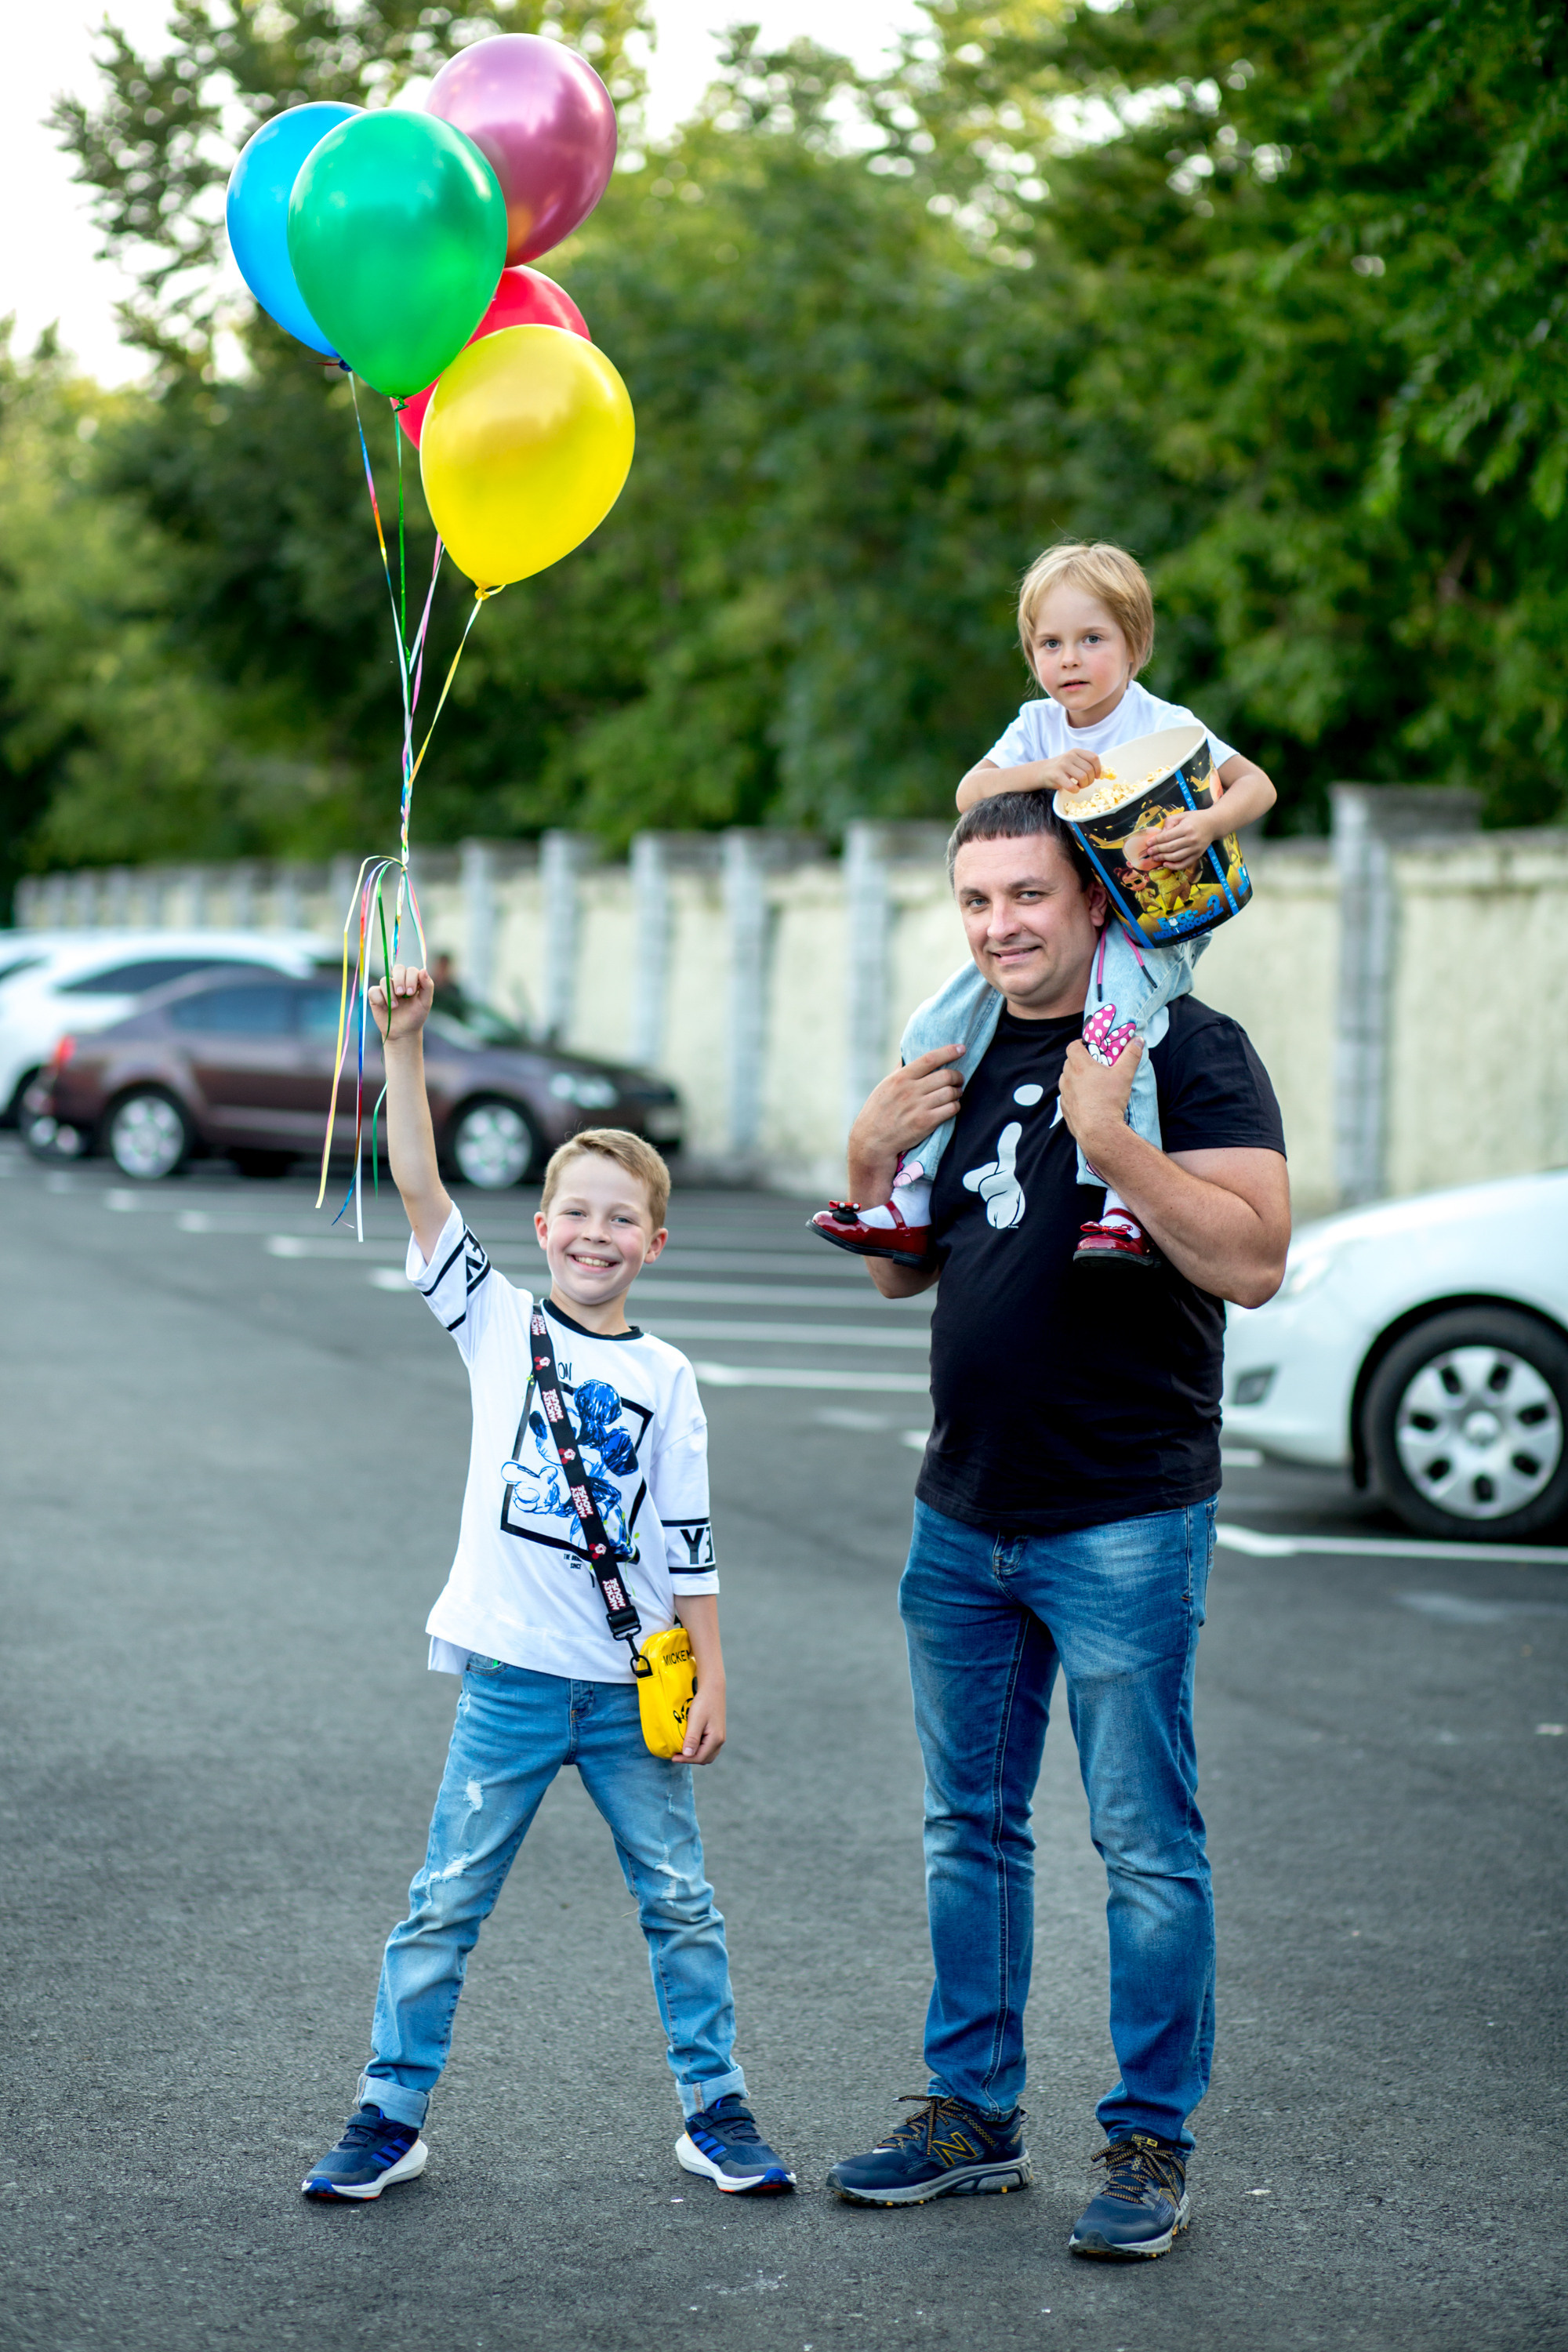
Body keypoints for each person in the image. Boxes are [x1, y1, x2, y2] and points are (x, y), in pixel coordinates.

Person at [824, 792, 1290, 2258]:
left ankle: (1151, 2141)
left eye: (1026, 895)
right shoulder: (956, 1049)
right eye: (976, 903)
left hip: (1126, 1517)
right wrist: (864, 1156)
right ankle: (972, 2119)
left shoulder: (1191, 1052)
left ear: (1094, 900)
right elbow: (908, 1273)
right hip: (962, 1515)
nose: (1000, 926)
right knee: (971, 1828)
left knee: (1146, 1843)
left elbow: (1254, 1258)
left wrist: (1113, 1139)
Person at [302, 963, 793, 2202]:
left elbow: (689, 1536)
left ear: (656, 1242)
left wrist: (713, 1675)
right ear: (542, 1226)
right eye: (575, 1212)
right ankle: (388, 2111)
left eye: (620, 1219)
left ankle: (716, 2109)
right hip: (515, 1680)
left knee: (681, 1904)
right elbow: (420, 1184)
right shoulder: (499, 1328)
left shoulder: (670, 1376)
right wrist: (404, 1047)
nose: (594, 1234)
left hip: (635, 1685)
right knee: (444, 1903)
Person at [811, 542, 1276, 1269]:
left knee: (1120, 1038)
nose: (1070, 660)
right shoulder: (1037, 727)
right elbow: (970, 794)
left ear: (1135, 644)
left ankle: (1121, 1205)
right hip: (1071, 919)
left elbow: (1258, 786)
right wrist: (1038, 771)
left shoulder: (1160, 721)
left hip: (1152, 923)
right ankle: (910, 1193)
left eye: (1091, 639)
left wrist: (1207, 823)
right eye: (1049, 644)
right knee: (938, 1021)